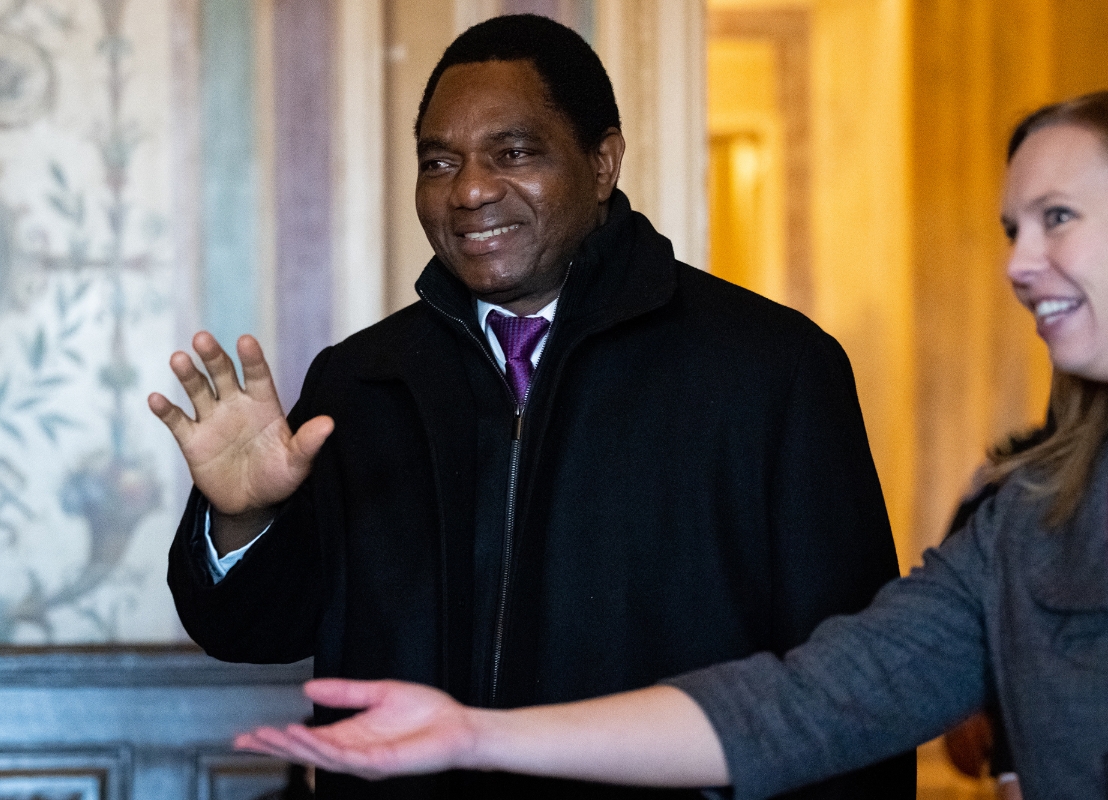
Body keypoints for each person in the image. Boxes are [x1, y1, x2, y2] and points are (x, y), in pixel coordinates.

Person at [231, 91, 1108, 799]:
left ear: (601, 163)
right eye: (1010, 230)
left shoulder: (772, 363)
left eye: (1057, 217)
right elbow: (814, 703)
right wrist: (471, 734)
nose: (1019, 265)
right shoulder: (1030, 518)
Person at [151, 14, 912, 799]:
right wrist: (239, 519)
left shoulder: (771, 370)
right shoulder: (363, 382)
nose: (471, 190)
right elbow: (253, 629)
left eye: (513, 153)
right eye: (439, 162)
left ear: (602, 162)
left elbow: (853, 693)